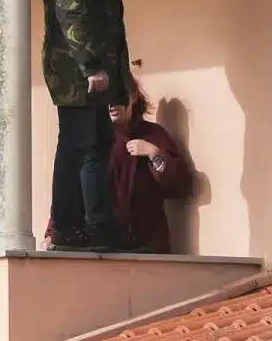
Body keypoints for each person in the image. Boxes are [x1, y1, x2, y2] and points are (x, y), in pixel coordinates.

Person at [43, 0, 136, 251]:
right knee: (82, 144)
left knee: (95, 141)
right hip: (74, 68)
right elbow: (72, 10)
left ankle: (94, 223)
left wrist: (116, 73)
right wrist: (90, 66)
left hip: (89, 66)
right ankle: (76, 225)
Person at [43, 78, 194, 255]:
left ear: (133, 96)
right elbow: (69, 191)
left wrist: (155, 154)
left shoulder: (153, 135)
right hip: (101, 250)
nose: (111, 105)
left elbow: (181, 187)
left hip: (146, 249)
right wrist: (51, 233)